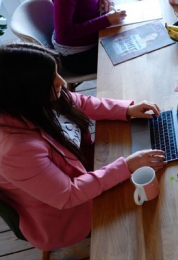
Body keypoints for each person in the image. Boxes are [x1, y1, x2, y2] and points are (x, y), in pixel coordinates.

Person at [0, 43, 166, 251]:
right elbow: (68, 194)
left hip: (89, 168)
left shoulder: (36, 100)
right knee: (155, 220)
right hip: (68, 215)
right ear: (26, 90)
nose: (62, 81)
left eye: (57, 73)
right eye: (51, 79)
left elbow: (80, 101)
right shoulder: (16, 151)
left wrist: (127, 110)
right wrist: (126, 166)